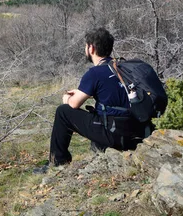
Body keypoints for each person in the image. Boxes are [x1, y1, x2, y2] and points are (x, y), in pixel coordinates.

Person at [48, 27, 151, 166]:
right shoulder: (123, 68)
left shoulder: (94, 73)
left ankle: (57, 162)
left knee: (63, 112)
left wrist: (67, 99)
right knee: (100, 110)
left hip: (114, 134)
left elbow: (74, 104)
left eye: (86, 46)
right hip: (137, 131)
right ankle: (100, 150)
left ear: (91, 48)